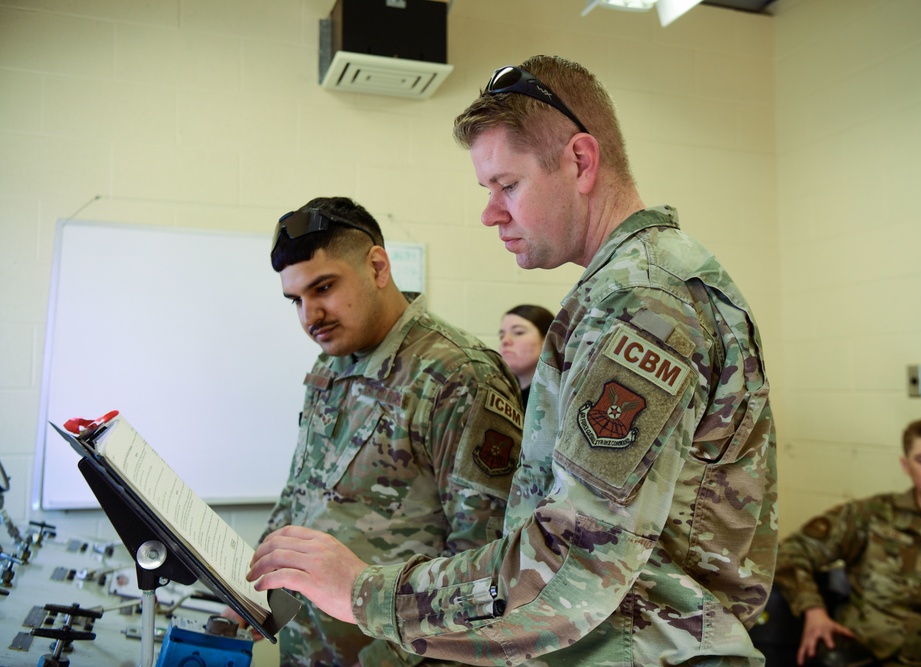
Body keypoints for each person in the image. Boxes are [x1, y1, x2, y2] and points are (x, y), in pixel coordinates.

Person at [247, 56, 778, 665]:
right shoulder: (621, 291)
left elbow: (573, 564)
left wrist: (363, 592)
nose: (491, 212)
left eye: (508, 185)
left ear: (580, 161)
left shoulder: (641, 302)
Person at [250, 196, 524, 667]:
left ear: (378, 267)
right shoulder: (330, 366)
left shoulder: (459, 376)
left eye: (324, 288)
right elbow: (301, 493)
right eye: (296, 300)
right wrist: (253, 584)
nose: (309, 315)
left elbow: (488, 567)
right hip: (310, 650)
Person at [773, 417, 921, 667]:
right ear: (906, 465)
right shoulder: (872, 516)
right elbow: (792, 550)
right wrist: (814, 611)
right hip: (869, 658)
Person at [498, 304, 554, 406]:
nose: (505, 341)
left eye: (518, 332)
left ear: (547, 341)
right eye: (501, 336)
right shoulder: (499, 394)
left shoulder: (559, 400)